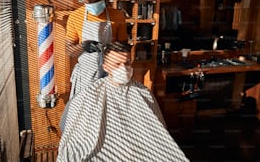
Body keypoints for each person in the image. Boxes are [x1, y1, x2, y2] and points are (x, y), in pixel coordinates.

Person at [57, 42, 189, 162]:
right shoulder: (89, 94)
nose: (124, 68)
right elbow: (69, 129)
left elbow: (158, 131)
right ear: (106, 67)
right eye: (117, 64)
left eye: (127, 63)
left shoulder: (142, 92)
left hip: (139, 150)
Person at [66, 0, 128, 100]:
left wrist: (111, 48)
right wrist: (84, 45)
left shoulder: (117, 16)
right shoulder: (75, 17)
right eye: (88, 0)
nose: (92, 3)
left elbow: (125, 48)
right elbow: (69, 51)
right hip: (86, 77)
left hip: (111, 75)